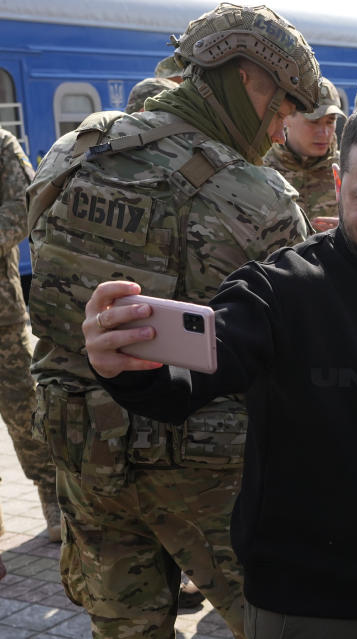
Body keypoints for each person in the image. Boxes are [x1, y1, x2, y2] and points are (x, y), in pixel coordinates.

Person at [84, 93, 357, 639]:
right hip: (297, 609)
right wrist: (122, 362)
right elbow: (180, 386)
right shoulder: (278, 289)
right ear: (338, 184)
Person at [25, 4, 319, 637]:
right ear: (248, 79)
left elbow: (40, 271)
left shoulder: (74, 151)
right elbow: (290, 344)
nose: (282, 127)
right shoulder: (261, 197)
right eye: (285, 104)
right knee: (275, 624)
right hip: (204, 473)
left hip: (84, 451)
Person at [0, 128, 59, 541]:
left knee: (25, 410)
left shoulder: (1, 144)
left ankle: (53, 498)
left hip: (1, 315)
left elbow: (24, 204)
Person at [265, 76, 345, 232]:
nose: (325, 132)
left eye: (330, 121)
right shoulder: (263, 170)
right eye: (314, 122)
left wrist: (350, 230)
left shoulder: (348, 170)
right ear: (287, 117)